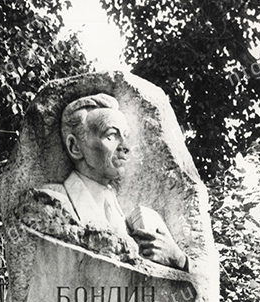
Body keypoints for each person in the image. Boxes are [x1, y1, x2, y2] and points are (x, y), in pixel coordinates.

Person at [41, 93, 188, 270]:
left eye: (125, 136)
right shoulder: (50, 202)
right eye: (111, 136)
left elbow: (201, 285)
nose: (125, 146)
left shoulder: (134, 220)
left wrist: (179, 260)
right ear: (75, 147)